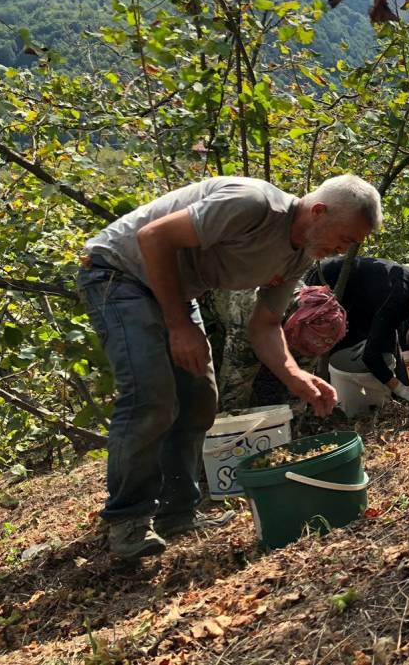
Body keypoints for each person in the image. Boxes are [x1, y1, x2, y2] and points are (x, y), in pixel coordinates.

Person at [77, 175, 382, 559]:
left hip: (177, 290)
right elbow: (154, 237)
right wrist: (177, 324)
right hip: (119, 273)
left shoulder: (301, 254)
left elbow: (265, 324)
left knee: (199, 398)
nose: (345, 248)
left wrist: (295, 376)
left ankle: (176, 511)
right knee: (151, 396)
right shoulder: (253, 204)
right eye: (347, 237)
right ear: (319, 212)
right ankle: (128, 519)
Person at [303, 259, 409, 404]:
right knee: (330, 342)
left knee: (387, 339)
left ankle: (398, 396)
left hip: (360, 293)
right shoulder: (394, 301)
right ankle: (326, 398)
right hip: (328, 281)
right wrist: (400, 389)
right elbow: (370, 356)